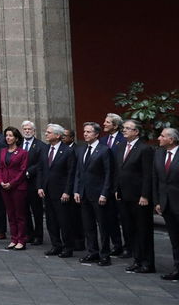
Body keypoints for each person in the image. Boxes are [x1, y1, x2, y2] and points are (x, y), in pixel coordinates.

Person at [114, 118, 155, 273]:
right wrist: (117, 189)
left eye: (127, 128)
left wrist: (145, 195)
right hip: (124, 195)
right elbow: (119, 170)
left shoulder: (144, 149)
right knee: (131, 230)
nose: (123, 130)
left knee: (143, 230)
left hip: (139, 197)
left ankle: (147, 262)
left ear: (136, 131)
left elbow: (147, 175)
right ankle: (137, 259)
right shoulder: (121, 146)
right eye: (123, 128)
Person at [73, 120, 113, 266]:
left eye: (88, 132)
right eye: (84, 132)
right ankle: (92, 252)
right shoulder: (82, 149)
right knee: (88, 226)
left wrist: (104, 193)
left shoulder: (104, 150)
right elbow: (78, 172)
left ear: (96, 134)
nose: (85, 134)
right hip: (83, 194)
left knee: (103, 226)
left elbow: (108, 173)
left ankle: (105, 254)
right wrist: (76, 190)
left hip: (98, 194)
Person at [38, 123, 75, 257]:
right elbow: (41, 169)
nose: (46, 134)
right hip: (47, 191)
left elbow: (71, 173)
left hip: (61, 192)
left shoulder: (67, 151)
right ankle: (56, 245)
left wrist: (67, 191)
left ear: (58, 135)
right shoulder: (45, 149)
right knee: (51, 220)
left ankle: (68, 247)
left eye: (49, 132)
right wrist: (40, 186)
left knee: (64, 221)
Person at [0, 126, 30, 250]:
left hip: (17, 187)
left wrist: (11, 183)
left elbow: (22, 171)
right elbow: (0, 167)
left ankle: (21, 239)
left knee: (20, 214)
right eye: (6, 135)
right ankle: (14, 238)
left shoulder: (23, 153)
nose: (8, 138)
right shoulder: (3, 151)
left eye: (11, 135)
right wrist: (1, 181)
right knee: (10, 213)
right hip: (4, 186)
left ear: (16, 138)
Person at [154, 127, 179, 281]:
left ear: (171, 139)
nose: (159, 138)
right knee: (174, 238)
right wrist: (157, 201)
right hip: (166, 204)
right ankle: (177, 267)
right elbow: (156, 180)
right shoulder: (159, 154)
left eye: (162, 136)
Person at [102, 112, 127, 256]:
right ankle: (116, 244)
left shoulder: (123, 139)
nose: (104, 124)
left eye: (107, 122)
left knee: (124, 218)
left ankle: (129, 246)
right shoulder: (103, 140)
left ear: (116, 125)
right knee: (110, 217)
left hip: (119, 184)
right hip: (106, 184)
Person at [21, 120, 45, 245]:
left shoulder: (40, 145)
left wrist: (28, 171)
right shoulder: (18, 144)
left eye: (29, 129)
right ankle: (28, 234)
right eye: (25, 129)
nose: (27, 131)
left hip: (34, 182)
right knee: (24, 210)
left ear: (34, 131)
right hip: (20, 183)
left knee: (37, 211)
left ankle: (38, 235)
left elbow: (41, 163)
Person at [62, 126, 85, 252]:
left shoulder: (77, 149)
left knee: (76, 218)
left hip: (74, 188)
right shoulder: (61, 149)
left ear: (72, 138)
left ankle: (79, 242)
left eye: (65, 136)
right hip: (64, 188)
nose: (63, 137)